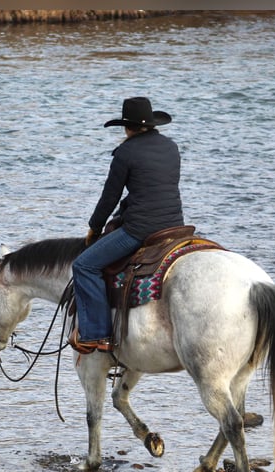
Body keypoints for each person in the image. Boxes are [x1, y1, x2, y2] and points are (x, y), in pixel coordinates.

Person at [69, 97, 185, 354]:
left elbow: (109, 197)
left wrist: (94, 228)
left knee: (84, 265)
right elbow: (153, 189)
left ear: (127, 126)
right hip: (175, 224)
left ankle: (96, 334)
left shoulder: (125, 153)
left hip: (142, 230)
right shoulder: (171, 147)